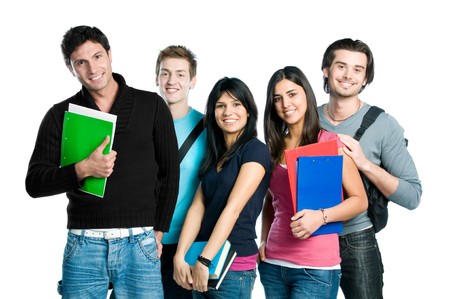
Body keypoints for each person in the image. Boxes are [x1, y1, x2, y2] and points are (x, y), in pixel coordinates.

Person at [25, 25, 180, 299]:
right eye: (80, 62)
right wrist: (82, 169)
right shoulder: (60, 115)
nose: (92, 68)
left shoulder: (152, 106)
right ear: (70, 68)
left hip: (140, 243)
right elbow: (34, 183)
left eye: (97, 56)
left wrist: (158, 231)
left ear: (109, 55)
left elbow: (169, 174)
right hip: (84, 244)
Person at [318, 38, 422, 298]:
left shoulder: (384, 125)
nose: (348, 76)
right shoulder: (306, 116)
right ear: (326, 71)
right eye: (341, 66)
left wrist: (364, 164)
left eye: (357, 69)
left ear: (366, 79)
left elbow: (412, 196)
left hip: (356, 239)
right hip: (310, 237)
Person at [258, 66, 368, 299]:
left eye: (292, 94)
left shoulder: (331, 144)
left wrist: (321, 216)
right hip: (274, 264)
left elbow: (360, 201)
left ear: (306, 94)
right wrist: (264, 239)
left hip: (315, 269)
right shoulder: (272, 149)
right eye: (277, 98)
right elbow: (271, 199)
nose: (286, 103)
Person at [173, 77, 271, 298]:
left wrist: (205, 259)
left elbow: (233, 209)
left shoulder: (255, 151)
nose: (228, 111)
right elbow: (197, 209)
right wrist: (180, 255)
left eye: (236, 104)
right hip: (198, 261)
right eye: (220, 105)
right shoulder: (214, 155)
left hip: (231, 266)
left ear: (248, 111)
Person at [155, 45, 207, 299]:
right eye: (165, 73)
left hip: (185, 243)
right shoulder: (144, 123)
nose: (171, 81)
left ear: (192, 80)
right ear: (157, 78)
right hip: (143, 241)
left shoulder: (208, 128)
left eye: (180, 74)